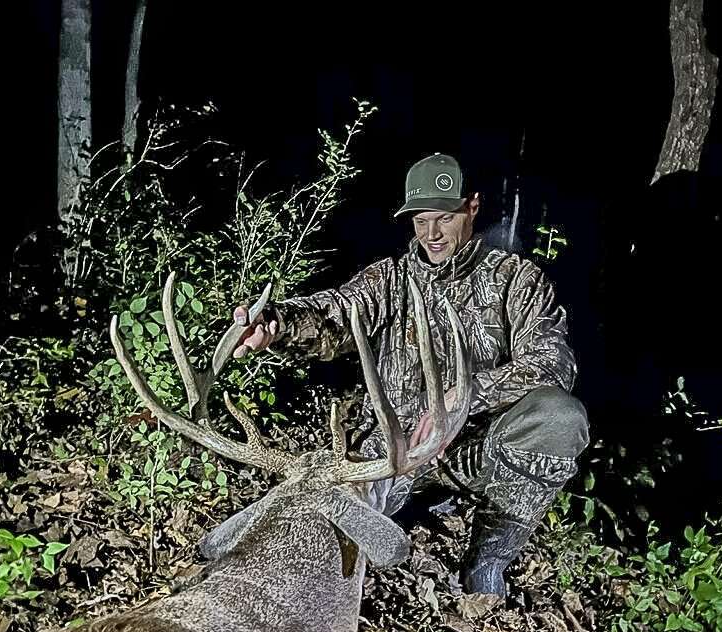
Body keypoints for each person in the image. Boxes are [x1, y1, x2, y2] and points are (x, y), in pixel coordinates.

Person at [232, 153, 589, 597]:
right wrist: (277, 324)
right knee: (326, 536)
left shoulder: (516, 279)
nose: (432, 234)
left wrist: (469, 394)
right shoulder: (391, 280)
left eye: (444, 218)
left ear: (472, 208)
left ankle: (487, 564)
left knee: (560, 418)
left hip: (477, 449)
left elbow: (554, 363)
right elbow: (334, 314)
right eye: (421, 221)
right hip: (393, 449)